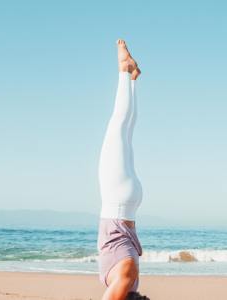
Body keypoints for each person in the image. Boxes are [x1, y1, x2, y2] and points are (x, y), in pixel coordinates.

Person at [97, 39, 148, 300]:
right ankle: (123, 69)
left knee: (125, 132)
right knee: (118, 127)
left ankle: (132, 78)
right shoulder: (126, 276)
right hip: (118, 204)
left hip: (127, 207)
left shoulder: (131, 281)